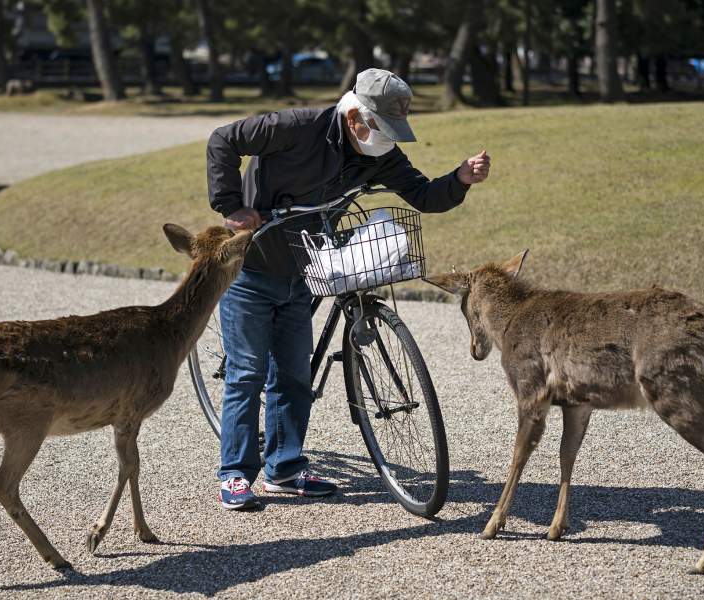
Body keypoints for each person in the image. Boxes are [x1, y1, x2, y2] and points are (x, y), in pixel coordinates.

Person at [207, 68, 491, 509]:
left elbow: (422, 194)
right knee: (247, 374)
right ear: (354, 113)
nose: (384, 138)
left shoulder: (379, 154)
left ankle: (283, 469)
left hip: (307, 269)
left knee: (294, 374)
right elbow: (223, 140)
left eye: (392, 130)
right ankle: (235, 474)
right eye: (379, 126)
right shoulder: (296, 128)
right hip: (251, 269)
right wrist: (233, 206)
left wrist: (460, 179)